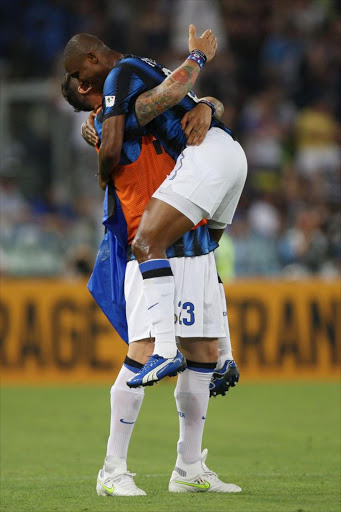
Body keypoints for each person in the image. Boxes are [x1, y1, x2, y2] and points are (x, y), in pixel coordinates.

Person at [62, 71, 241, 496]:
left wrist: (208, 107)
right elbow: (166, 94)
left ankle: (189, 467)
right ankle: (112, 468)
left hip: (191, 241)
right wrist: (198, 68)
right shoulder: (114, 126)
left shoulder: (148, 114)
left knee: (202, 350)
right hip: (149, 247)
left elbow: (191, 99)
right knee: (143, 351)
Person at [64, 26, 247, 389]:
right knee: (207, 251)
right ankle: (225, 356)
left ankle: (165, 349)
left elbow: (170, 93)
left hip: (205, 158)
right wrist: (209, 104)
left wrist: (197, 57)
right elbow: (173, 98)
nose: (82, 86)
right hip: (231, 154)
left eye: (81, 78)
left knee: (147, 242)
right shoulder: (134, 89)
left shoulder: (121, 77)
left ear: (92, 59)